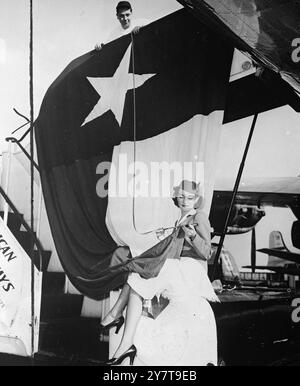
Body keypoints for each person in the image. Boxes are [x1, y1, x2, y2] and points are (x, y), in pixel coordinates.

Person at [100, 180, 219, 366]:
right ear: (176, 198)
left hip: (190, 269)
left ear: (196, 200)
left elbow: (207, 253)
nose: (185, 201)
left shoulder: (199, 217)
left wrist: (193, 236)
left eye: (190, 198)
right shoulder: (179, 219)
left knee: (140, 274)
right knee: (137, 275)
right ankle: (122, 336)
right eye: (181, 197)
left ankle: (116, 320)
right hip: (177, 266)